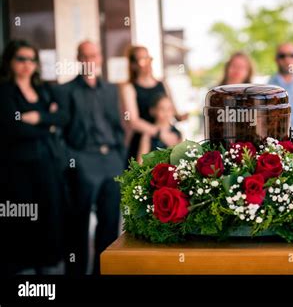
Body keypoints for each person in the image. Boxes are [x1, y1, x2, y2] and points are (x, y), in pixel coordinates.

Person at [0, 40, 67, 274]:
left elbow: (62, 118)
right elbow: (13, 127)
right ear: (9, 62)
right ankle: (24, 271)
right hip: (18, 168)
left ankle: (46, 268)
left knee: (49, 218)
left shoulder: (43, 90)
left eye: (31, 59)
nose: (27, 64)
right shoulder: (5, 91)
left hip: (47, 163)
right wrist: (46, 123)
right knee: (23, 218)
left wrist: (37, 118)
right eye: (21, 59)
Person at [58, 40, 125, 275]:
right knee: (77, 225)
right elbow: (60, 131)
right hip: (82, 160)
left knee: (109, 225)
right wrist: (70, 159)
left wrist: (120, 157)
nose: (90, 60)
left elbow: (117, 126)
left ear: (100, 58)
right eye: (85, 56)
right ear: (78, 59)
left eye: (94, 55)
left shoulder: (110, 89)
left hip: (110, 161)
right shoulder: (65, 90)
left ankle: (102, 272)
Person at [120, 46, 170, 162]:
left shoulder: (162, 84)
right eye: (142, 60)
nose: (147, 63)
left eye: (149, 59)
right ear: (133, 65)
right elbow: (133, 121)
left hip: (165, 139)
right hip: (143, 140)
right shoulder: (129, 88)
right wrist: (160, 133)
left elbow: (172, 111)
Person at [137, 94, 182, 163]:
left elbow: (180, 158)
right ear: (152, 111)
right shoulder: (148, 134)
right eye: (162, 109)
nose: (166, 113)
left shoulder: (177, 133)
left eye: (169, 109)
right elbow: (140, 161)